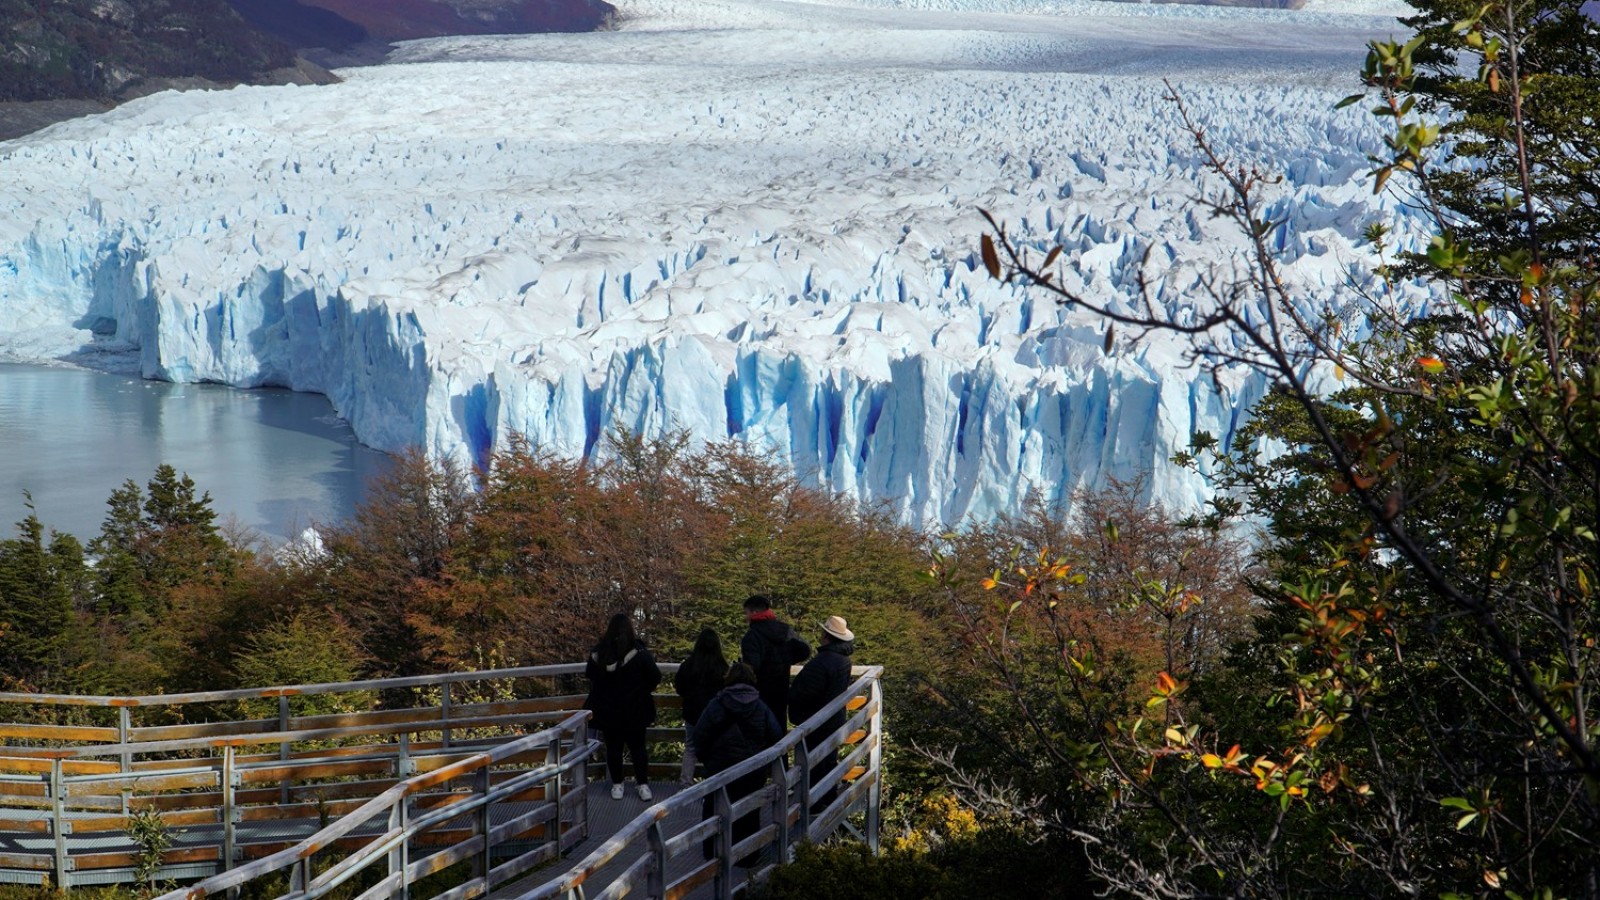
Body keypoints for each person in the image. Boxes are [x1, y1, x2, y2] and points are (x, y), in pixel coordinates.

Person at [692, 661, 783, 864]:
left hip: (719, 767)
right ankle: (748, 856)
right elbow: (776, 735)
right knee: (749, 811)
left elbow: (699, 736)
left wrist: (707, 759)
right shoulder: (761, 706)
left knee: (713, 809)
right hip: (752, 769)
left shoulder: (716, 704)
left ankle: (712, 853)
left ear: (729, 678)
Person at [584, 613, 662, 801]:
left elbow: (590, 675)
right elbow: (655, 676)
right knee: (638, 748)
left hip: (608, 711)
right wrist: (641, 690)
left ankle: (617, 785)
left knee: (613, 748)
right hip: (635, 709)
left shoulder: (599, 653)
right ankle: (642, 785)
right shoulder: (639, 652)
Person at [788, 615, 856, 813]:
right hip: (833, 718)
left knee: (814, 765)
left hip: (816, 719)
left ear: (826, 635)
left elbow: (807, 692)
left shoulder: (823, 661)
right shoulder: (843, 660)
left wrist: (791, 695)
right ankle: (826, 799)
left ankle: (814, 806)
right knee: (827, 761)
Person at [740, 594, 811, 726]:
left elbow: (752, 666)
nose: (746, 617)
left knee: (761, 728)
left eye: (747, 613)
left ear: (753, 612)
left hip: (760, 691)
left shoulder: (752, 636)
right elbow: (805, 650)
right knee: (779, 726)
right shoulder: (785, 630)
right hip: (782, 687)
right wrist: (787, 660)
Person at [673, 628, 729, 784]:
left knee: (690, 748)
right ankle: (712, 783)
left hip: (692, 712)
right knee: (713, 748)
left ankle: (686, 783)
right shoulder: (722, 667)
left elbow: (680, 687)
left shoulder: (688, 665)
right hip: (714, 714)